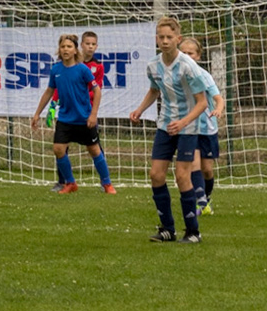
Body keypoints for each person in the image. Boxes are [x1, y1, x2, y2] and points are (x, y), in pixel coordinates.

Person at [129, 19, 217, 242]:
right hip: (164, 126)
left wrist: (183, 122)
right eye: (161, 37)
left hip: (188, 128)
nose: (165, 41)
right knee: (156, 175)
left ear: (178, 39)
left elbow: (202, 103)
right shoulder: (153, 66)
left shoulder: (189, 67)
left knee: (182, 176)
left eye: (169, 37)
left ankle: (193, 231)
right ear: (156, 39)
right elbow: (154, 90)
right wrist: (139, 109)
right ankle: (167, 229)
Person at [31, 34, 111, 193]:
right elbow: (49, 91)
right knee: (58, 149)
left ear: (75, 50)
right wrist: (37, 113)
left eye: (69, 47)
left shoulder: (83, 69)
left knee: (94, 150)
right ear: (59, 50)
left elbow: (97, 90)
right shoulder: (56, 69)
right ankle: (70, 183)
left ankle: (107, 184)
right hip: (65, 118)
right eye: (63, 47)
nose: (65, 49)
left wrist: (93, 114)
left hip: (84, 118)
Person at [178, 35, 221, 216]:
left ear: (198, 56)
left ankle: (206, 196)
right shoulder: (176, 75)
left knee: (207, 169)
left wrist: (218, 108)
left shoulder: (204, 76)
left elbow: (218, 98)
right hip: (188, 127)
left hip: (207, 128)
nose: (187, 56)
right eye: (184, 52)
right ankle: (201, 200)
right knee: (193, 164)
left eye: (191, 53)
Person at [79, 30, 115, 193]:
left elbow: (96, 88)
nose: (90, 47)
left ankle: (105, 181)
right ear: (81, 45)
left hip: (88, 110)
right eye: (87, 43)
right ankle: (63, 181)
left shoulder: (98, 66)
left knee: (95, 146)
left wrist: (82, 95)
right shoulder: (73, 63)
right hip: (71, 109)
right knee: (61, 145)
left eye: (93, 44)